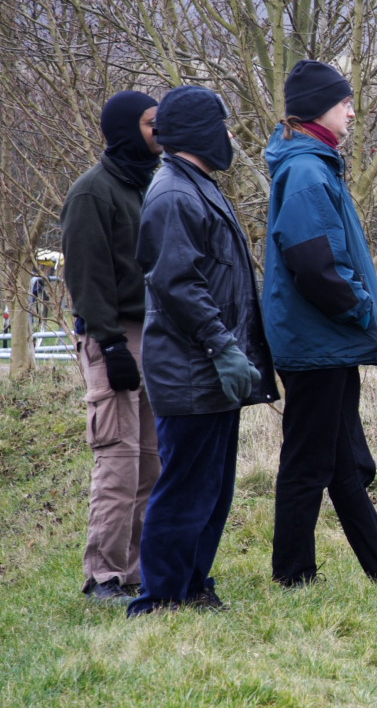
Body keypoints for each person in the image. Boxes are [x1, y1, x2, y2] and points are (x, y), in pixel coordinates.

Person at [128, 85, 278, 616]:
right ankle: (161, 597)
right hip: (191, 368)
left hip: (209, 370)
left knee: (211, 489)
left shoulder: (196, 186)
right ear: (199, 132)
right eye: (222, 125)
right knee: (185, 489)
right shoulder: (173, 194)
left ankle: (192, 585)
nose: (230, 135)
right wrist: (222, 347)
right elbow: (178, 283)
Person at [263, 59, 377, 587]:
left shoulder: (315, 166)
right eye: (344, 102)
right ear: (318, 109)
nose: (352, 112)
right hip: (317, 341)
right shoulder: (307, 172)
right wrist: (361, 310)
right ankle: (293, 575)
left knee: (344, 461)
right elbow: (316, 264)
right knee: (308, 461)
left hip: (326, 340)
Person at [60, 91, 163, 604]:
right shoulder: (92, 193)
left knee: (150, 462)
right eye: (150, 123)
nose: (159, 131)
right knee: (118, 461)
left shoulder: (153, 185)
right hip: (114, 337)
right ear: (125, 128)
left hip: (155, 336)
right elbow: (87, 276)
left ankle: (137, 571)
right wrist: (110, 344)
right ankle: (103, 576)